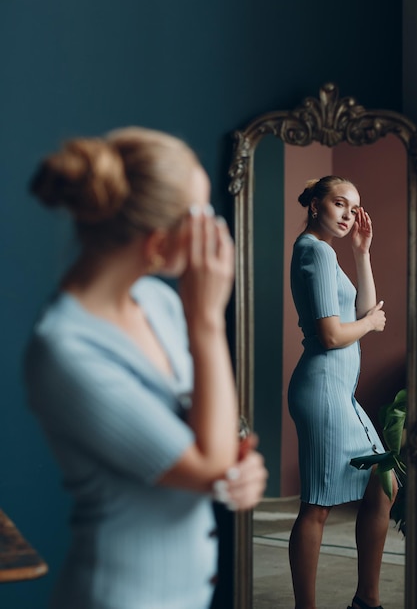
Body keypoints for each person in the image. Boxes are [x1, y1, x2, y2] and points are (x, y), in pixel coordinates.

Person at [24, 127, 267, 609]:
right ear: (158, 242)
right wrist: (207, 322)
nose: (215, 227)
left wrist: (244, 469)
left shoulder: (158, 303)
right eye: (201, 214)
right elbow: (205, 465)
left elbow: (213, 445)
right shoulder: (64, 350)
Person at [287, 176, 398, 609]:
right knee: (317, 504)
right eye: (339, 204)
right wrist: (368, 325)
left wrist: (362, 253)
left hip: (338, 393)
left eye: (354, 208)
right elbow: (334, 335)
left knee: (382, 483)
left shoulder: (328, 252)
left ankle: (365, 600)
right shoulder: (311, 250)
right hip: (322, 391)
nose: (349, 215)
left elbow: (363, 312)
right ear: (315, 205)